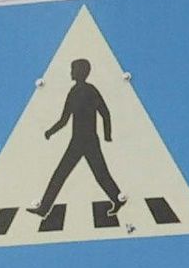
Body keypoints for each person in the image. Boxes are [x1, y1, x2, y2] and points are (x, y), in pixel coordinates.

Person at [30, 57, 124, 225]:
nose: (71, 72)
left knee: (96, 174)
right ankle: (44, 208)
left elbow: (104, 112)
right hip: (79, 140)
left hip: (86, 141)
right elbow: (65, 119)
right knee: (65, 174)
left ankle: (118, 199)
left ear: (81, 72)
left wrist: (107, 135)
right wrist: (51, 131)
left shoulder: (86, 91)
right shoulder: (78, 91)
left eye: (73, 69)